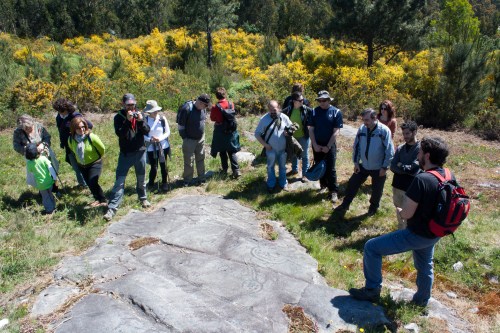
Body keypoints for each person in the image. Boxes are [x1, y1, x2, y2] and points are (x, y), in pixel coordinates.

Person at [349, 137, 453, 307]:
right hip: (435, 232)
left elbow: (406, 213)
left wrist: (400, 211)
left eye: (419, 152)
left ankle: (372, 290)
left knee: (371, 247)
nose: (417, 155)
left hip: (417, 233)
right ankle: (421, 301)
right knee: (425, 265)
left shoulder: (422, 179)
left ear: (426, 156)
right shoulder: (448, 174)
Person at [335, 109, 394, 215]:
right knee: (352, 184)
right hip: (364, 166)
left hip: (378, 168)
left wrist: (385, 167)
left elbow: (389, 151)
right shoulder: (362, 129)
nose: (364, 122)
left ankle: (373, 208)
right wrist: (356, 163)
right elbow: (356, 146)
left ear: (375, 118)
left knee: (377, 191)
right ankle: (345, 204)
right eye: (363, 120)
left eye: (367, 120)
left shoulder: (384, 131)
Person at [104, 93, 151, 221]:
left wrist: (140, 120)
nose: (131, 107)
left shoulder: (140, 114)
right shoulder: (118, 117)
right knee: (119, 181)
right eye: (128, 105)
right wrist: (127, 121)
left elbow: (147, 131)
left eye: (132, 104)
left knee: (141, 177)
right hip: (126, 154)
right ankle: (112, 208)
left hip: (140, 152)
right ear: (123, 105)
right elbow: (121, 134)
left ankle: (143, 198)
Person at [308, 90, 343, 202]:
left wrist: (328, 146)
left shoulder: (336, 112)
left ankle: (333, 191)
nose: (322, 102)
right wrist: (314, 144)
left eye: (324, 100)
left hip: (330, 145)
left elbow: (336, 131)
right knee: (319, 165)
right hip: (317, 144)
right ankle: (323, 186)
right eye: (320, 100)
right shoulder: (314, 111)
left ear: (329, 100)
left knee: (330, 168)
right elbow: (311, 129)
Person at [68, 118, 107, 207]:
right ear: (74, 129)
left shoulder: (91, 137)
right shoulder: (71, 139)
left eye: (83, 127)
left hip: (95, 163)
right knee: (89, 183)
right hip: (82, 165)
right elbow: (73, 150)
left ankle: (103, 199)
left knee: (92, 181)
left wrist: (95, 157)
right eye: (78, 128)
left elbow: (102, 149)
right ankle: (97, 199)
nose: (81, 129)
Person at [54, 98, 93, 188]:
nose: (60, 113)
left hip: (78, 144)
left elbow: (89, 125)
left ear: (67, 109)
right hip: (68, 146)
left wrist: (79, 136)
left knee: (83, 164)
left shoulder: (75, 116)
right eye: (58, 111)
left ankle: (87, 184)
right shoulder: (59, 117)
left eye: (62, 111)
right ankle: (83, 184)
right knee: (75, 166)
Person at [255, 100, 292, 192]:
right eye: (270, 109)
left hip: (283, 149)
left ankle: (283, 183)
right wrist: (265, 145)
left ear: (278, 108)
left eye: (274, 109)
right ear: (268, 109)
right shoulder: (264, 119)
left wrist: (289, 132)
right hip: (271, 149)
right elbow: (257, 134)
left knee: (282, 167)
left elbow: (292, 128)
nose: (272, 111)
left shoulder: (284, 117)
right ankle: (271, 184)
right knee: (270, 167)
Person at [13, 114, 59, 186]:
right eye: (25, 129)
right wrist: (27, 149)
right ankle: (42, 188)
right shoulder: (17, 132)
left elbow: (47, 137)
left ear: (32, 123)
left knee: (52, 164)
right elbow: (16, 146)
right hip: (30, 154)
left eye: (29, 128)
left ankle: (55, 184)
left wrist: (43, 144)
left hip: (44, 150)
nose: (27, 130)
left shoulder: (39, 126)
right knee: (37, 171)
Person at [390, 121, 420, 229]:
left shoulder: (420, 149)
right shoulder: (401, 148)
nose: (405, 136)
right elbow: (392, 166)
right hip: (397, 185)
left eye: (407, 133)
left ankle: (409, 233)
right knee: (399, 210)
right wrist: (404, 167)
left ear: (415, 132)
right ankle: (401, 230)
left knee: (410, 213)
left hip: (410, 188)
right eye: (404, 134)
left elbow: (413, 169)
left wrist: (400, 166)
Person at [177, 94, 210, 186]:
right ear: (200, 102)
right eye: (205, 105)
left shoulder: (203, 108)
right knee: (188, 160)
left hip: (200, 138)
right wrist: (185, 137)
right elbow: (180, 125)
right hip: (189, 139)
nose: (206, 107)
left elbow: (203, 120)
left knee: (201, 158)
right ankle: (187, 180)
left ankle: (201, 178)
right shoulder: (187, 108)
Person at [210, 87, 241, 178]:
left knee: (222, 151)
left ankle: (224, 170)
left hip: (220, 130)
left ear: (216, 96)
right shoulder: (231, 104)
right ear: (225, 94)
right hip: (231, 129)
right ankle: (236, 170)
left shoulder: (215, 107)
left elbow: (212, 119)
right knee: (232, 151)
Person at [282, 92, 311, 182]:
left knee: (305, 155)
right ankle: (294, 170)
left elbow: (314, 118)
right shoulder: (288, 110)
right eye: (300, 100)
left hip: (304, 136)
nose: (303, 101)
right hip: (292, 137)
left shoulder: (306, 110)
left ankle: (305, 175)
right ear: (294, 101)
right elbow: (280, 120)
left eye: (303, 99)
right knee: (294, 153)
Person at [143, 100, 171, 192]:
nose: (155, 112)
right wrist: (150, 139)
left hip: (163, 146)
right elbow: (143, 134)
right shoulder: (145, 120)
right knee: (154, 167)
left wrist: (160, 138)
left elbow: (167, 132)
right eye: (153, 111)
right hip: (151, 147)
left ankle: (164, 183)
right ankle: (151, 183)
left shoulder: (162, 119)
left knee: (163, 165)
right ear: (149, 112)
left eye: (156, 111)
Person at [25, 143, 58, 214]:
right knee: (50, 194)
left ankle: (49, 210)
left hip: (40, 185)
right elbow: (51, 168)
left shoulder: (29, 163)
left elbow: (30, 172)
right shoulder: (43, 158)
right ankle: (54, 207)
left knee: (45, 197)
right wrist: (55, 178)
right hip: (49, 182)